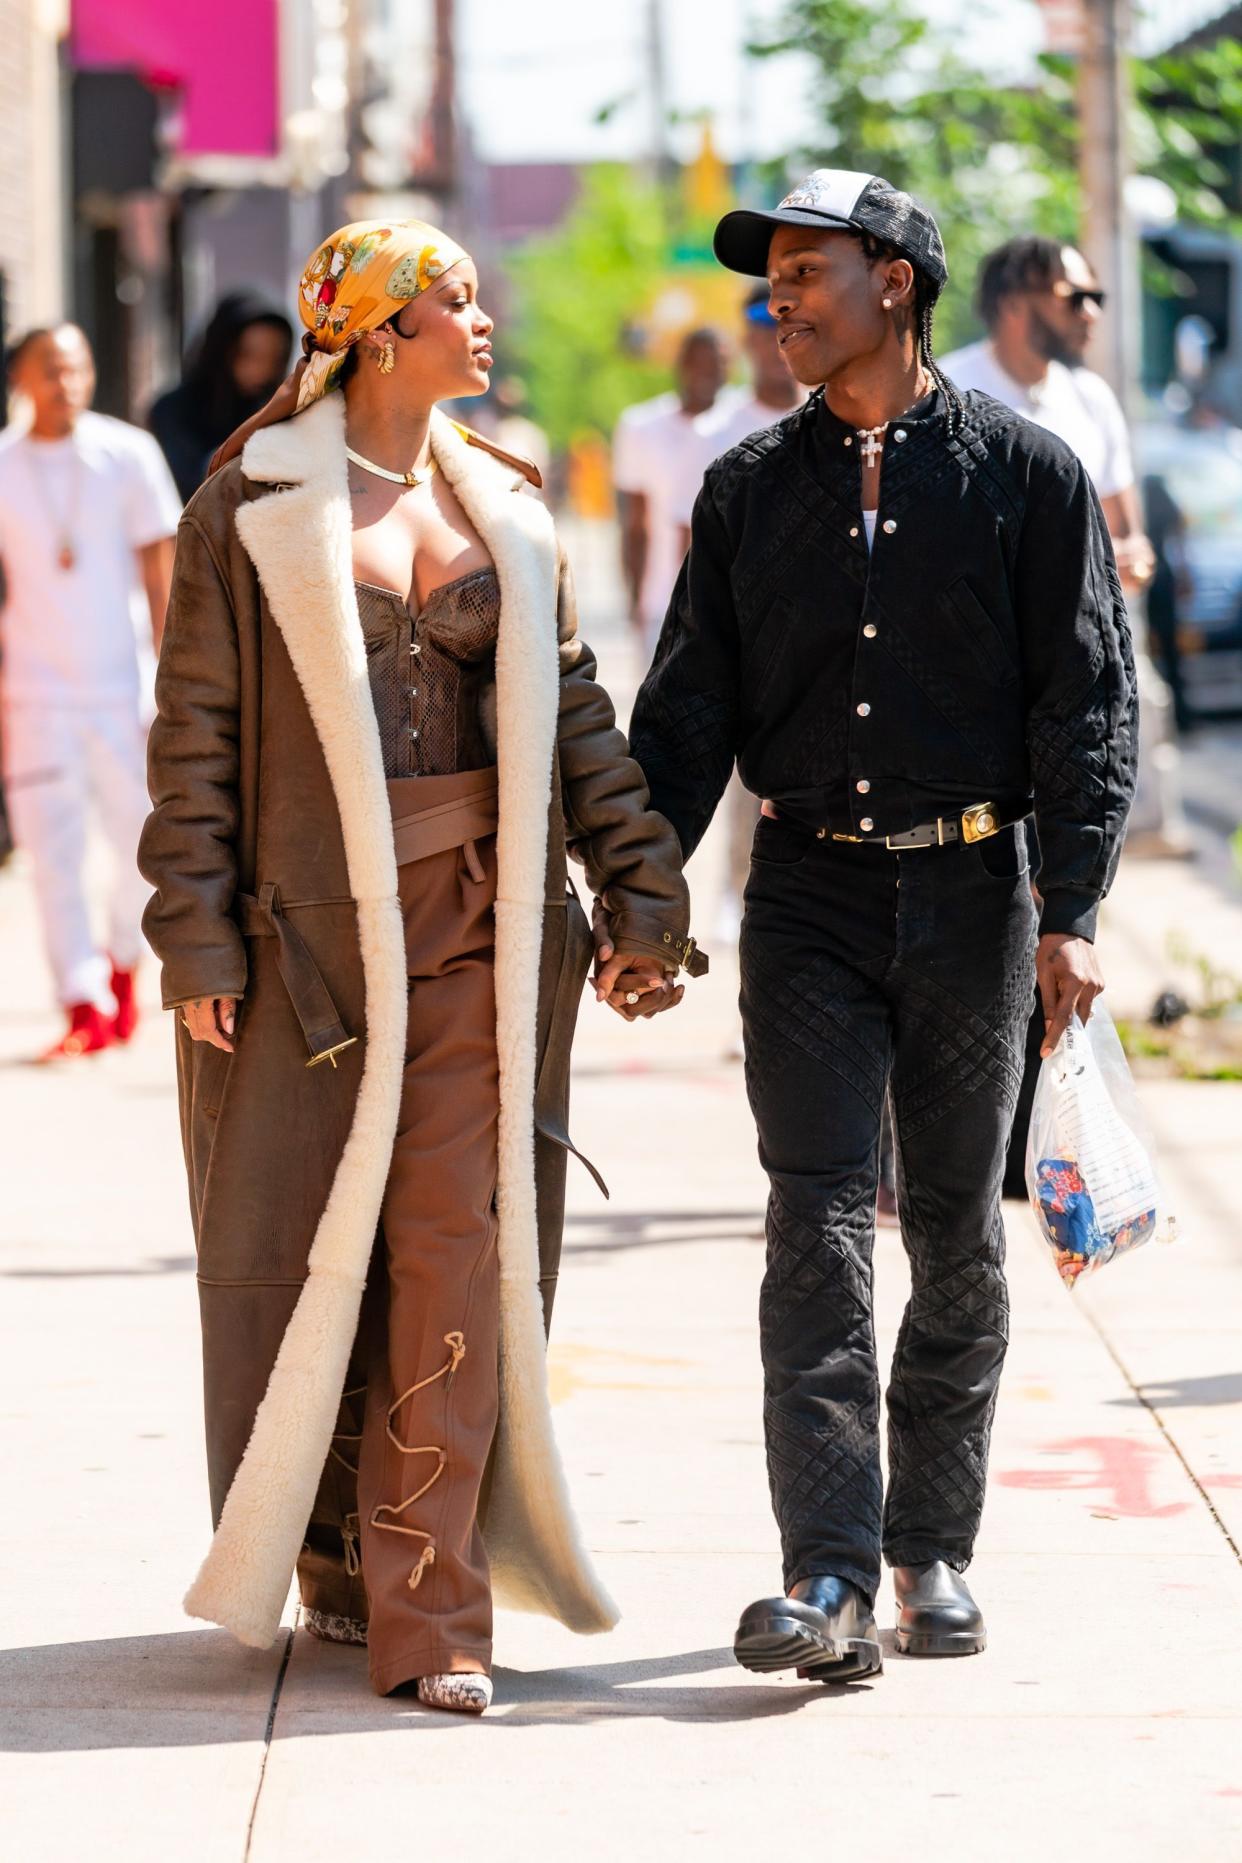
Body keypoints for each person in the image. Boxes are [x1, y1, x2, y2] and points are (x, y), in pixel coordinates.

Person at [138, 219, 703, 1715]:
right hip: (305, 948)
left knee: (456, 1247)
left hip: (477, 932)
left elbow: (575, 714)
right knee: (312, 1262)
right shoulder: (244, 507)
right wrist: (192, 929)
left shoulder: (507, 506)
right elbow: (192, 735)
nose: (482, 319)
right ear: (381, 331)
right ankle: (328, 1551)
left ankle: (431, 1608)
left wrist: (641, 890)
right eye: (455, 299)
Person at [629, 170, 1137, 1681]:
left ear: (894, 284)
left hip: (977, 896)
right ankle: (828, 1572)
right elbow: (686, 714)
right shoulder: (743, 491)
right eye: (767, 278)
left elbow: (1084, 700)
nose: (774, 301)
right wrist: (641, 896)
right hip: (805, 897)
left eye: (803, 273)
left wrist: (1076, 904)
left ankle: (932, 1547)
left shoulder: (1024, 477)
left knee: (958, 1238)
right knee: (813, 1215)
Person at [0, 324, 180, 1059]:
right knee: (53, 854)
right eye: (49, 369)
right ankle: (80, 1000)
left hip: (123, 687)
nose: (64, 382)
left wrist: (173, 676)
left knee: (142, 844)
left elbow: (159, 568)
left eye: (75, 368)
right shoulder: (5, 465)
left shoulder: (127, 454)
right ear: (21, 378)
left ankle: (121, 964)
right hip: (35, 692)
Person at [943, 237, 1154, 591]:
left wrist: (1132, 561)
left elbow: (1131, 546)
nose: (1091, 313)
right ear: (1012, 304)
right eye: (1074, 298)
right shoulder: (946, 394)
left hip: (1082, 640)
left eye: (1096, 298)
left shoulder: (1092, 397)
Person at [613, 326, 728, 664]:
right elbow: (635, 522)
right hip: (661, 600)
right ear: (681, 365)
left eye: (718, 363)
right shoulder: (640, 426)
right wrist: (635, 597)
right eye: (700, 362)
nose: (708, 372)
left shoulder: (741, 427)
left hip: (723, 605)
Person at [149, 292, 293, 502]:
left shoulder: (285, 411)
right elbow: (192, 480)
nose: (261, 369)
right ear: (223, 350)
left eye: (273, 358)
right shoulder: (174, 411)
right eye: (249, 354)